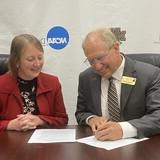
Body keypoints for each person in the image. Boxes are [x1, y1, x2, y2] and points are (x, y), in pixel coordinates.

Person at [75, 28, 160, 141]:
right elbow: (81, 112)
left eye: (100, 58)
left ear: (116, 47)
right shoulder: (86, 78)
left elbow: (158, 115)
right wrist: (91, 119)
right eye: (91, 61)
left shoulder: (149, 75)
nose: (97, 66)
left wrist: (123, 129)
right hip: (100, 146)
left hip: (139, 147)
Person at [0, 34, 68, 131]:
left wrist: (40, 120)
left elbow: (63, 120)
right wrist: (10, 124)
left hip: (44, 143)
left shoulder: (53, 83)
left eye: (40, 58)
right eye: (30, 59)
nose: (37, 64)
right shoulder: (1, 84)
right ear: (16, 61)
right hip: (10, 144)